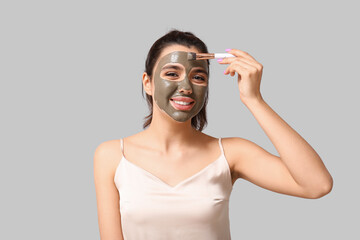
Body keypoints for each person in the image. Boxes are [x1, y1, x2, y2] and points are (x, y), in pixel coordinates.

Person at [93, 30, 333, 240]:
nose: (186, 86)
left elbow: (317, 185)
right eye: (172, 74)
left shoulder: (231, 153)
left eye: (198, 77)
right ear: (148, 83)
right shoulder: (112, 155)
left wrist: (254, 99)